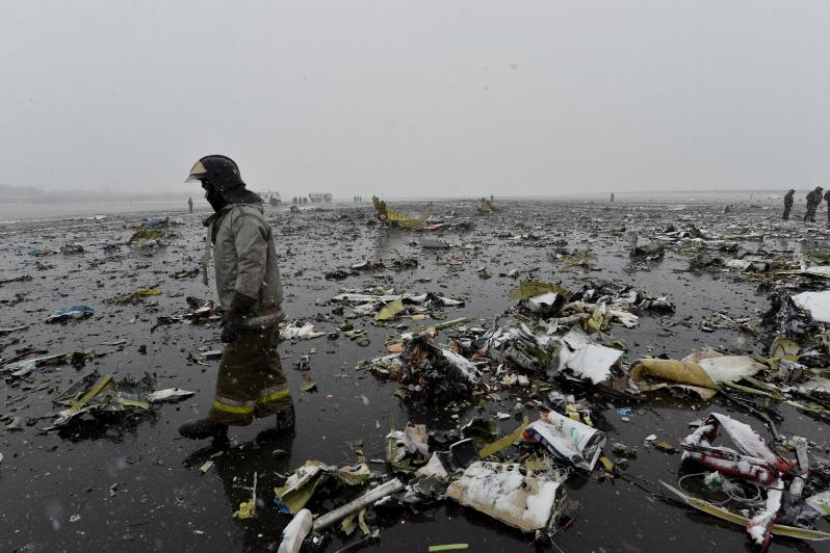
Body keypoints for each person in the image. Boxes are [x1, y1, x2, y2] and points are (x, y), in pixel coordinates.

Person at [179, 155, 293, 440]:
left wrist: (236, 312)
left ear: (221, 184)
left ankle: (219, 422)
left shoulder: (244, 219)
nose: (206, 194)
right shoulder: (234, 217)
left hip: (253, 312)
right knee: (266, 365)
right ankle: (285, 414)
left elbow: (251, 268)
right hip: (257, 310)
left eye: (207, 186)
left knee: (234, 367)